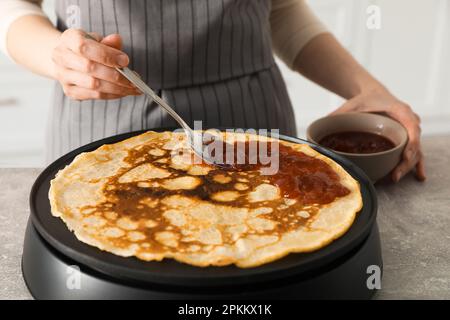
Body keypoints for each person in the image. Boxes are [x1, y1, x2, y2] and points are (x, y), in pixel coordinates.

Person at [0, 0, 425, 182]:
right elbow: (16, 8)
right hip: (100, 114)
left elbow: (278, 11)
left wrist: (371, 90)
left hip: (252, 122)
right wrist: (56, 53)